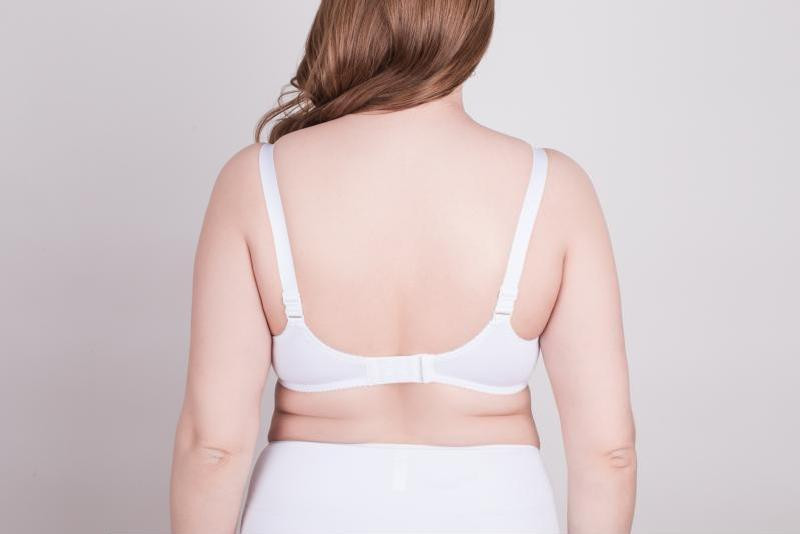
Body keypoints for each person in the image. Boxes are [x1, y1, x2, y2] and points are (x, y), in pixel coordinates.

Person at [170, 1, 637, 533]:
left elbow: (212, 448)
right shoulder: (555, 188)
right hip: (497, 511)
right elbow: (610, 453)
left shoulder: (255, 181)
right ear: (472, 29)